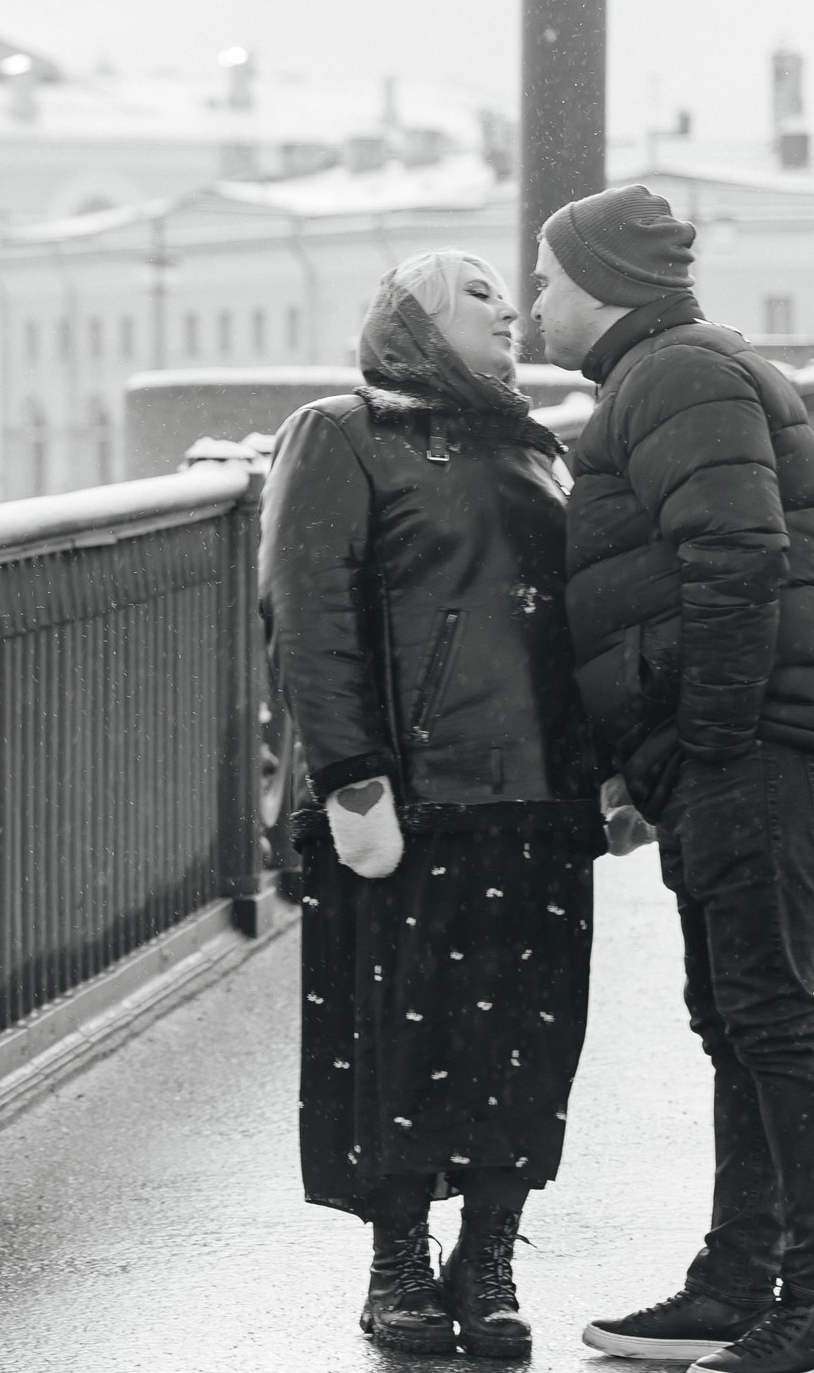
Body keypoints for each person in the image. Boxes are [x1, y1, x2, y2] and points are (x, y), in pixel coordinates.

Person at [534, 186, 814, 1373]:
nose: (536, 302)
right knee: (736, 1014)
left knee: (771, 1014)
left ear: (602, 284)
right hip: (747, 740)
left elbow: (736, 555)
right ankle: (738, 1282)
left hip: (762, 740)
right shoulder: (666, 372)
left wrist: (707, 742)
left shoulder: (676, 376)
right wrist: (660, 759)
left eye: (546, 278)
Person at [260, 250, 613, 1360]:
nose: (508, 309)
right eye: (476, 297)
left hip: (539, 792)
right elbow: (309, 613)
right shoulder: (342, 432)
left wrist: (604, 764)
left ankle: (493, 1251)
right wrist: (351, 777)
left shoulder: (530, 441)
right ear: (412, 320)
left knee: (527, 1038)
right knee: (400, 1044)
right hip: (413, 799)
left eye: (509, 297)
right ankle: (399, 1260)